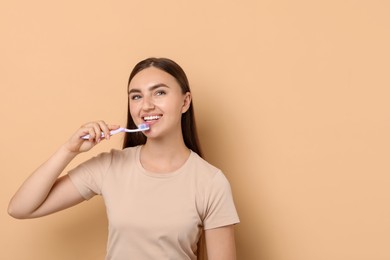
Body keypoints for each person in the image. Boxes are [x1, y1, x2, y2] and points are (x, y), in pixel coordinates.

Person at [8, 57, 240, 260]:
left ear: (185, 102)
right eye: (136, 96)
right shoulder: (110, 165)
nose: (146, 106)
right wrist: (69, 150)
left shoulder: (210, 182)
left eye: (159, 92)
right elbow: (20, 208)